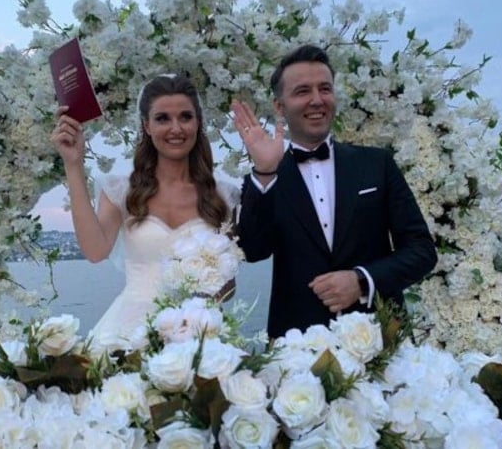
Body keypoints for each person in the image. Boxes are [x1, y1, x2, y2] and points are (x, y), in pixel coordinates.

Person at [232, 45, 437, 338]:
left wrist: (361, 280)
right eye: (302, 91)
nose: (317, 100)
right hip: (297, 346)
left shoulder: (377, 163)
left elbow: (422, 250)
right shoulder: (269, 177)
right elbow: (253, 251)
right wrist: (265, 172)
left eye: (325, 89)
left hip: (381, 337)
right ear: (279, 106)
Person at [51, 74, 239, 345]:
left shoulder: (224, 196)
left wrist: (201, 286)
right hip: (128, 332)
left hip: (200, 334)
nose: (176, 128)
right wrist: (73, 164)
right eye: (162, 118)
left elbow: (228, 288)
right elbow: (95, 251)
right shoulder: (121, 191)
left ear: (198, 123)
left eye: (185, 117)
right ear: (146, 126)